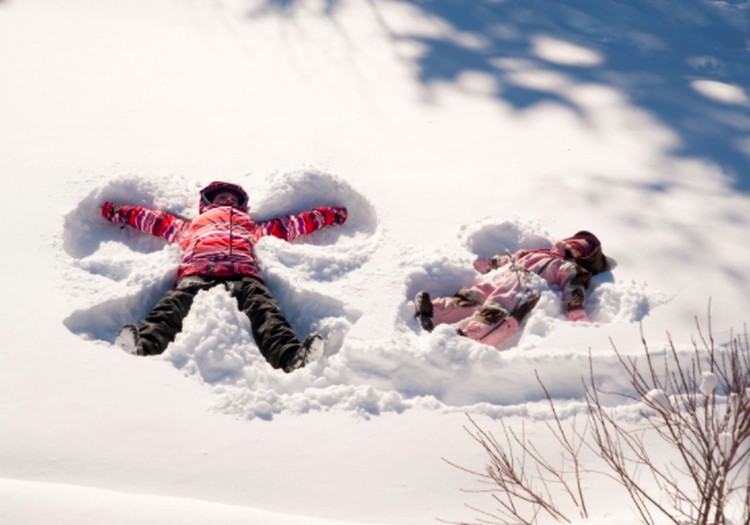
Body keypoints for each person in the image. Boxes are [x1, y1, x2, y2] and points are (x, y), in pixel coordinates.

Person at [101, 181, 348, 372]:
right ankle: (142, 348)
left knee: (266, 314)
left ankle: (293, 358)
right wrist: (117, 212)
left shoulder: (250, 226)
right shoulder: (191, 226)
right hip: (198, 272)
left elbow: (292, 224)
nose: (227, 200)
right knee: (170, 309)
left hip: (244, 274)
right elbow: (152, 220)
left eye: (232, 198)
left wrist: (329, 215)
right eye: (221, 197)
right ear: (208, 203)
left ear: (241, 206)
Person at [413, 231, 610, 348]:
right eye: (572, 242)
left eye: (578, 248)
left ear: (583, 257)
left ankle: (470, 338)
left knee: (498, 310)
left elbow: (573, 287)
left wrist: (576, 310)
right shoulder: (538, 253)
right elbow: (513, 258)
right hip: (506, 277)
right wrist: (491, 264)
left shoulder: (568, 268)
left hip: (524, 287)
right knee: (474, 295)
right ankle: (435, 311)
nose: (571, 246)